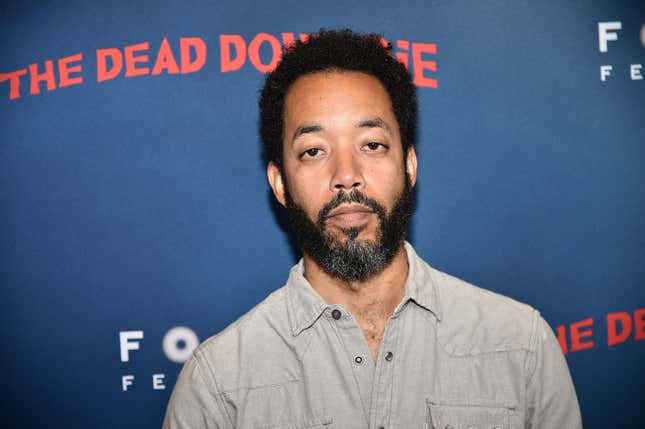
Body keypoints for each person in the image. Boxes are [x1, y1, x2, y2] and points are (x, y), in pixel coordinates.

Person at [163, 29, 582, 429]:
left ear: (409, 165)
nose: (346, 175)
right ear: (279, 183)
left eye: (372, 145)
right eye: (313, 151)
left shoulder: (520, 346)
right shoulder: (219, 385)